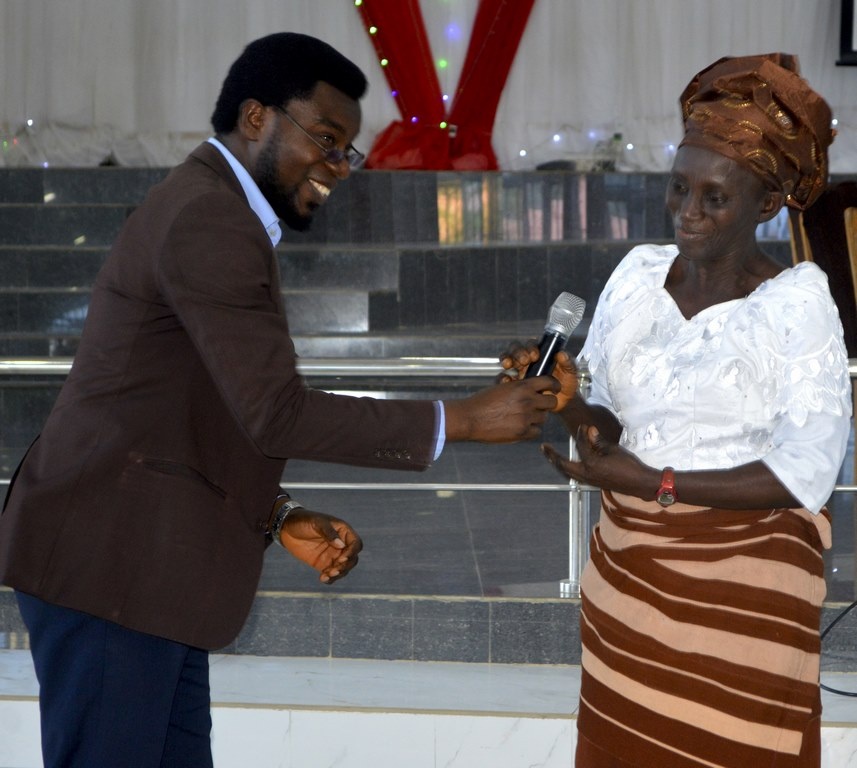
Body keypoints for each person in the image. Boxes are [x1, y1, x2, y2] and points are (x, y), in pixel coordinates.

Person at [0, 32, 561, 768]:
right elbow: (275, 411)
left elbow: (201, 409)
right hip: (113, 566)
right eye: (326, 140)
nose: (339, 167)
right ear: (257, 117)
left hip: (146, 570)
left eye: (347, 151)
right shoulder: (209, 216)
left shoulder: (214, 207)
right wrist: (460, 419)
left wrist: (276, 512)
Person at [502, 53, 852, 767]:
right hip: (628, 592)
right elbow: (609, 427)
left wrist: (655, 484)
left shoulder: (796, 304)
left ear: (765, 205)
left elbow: (807, 472)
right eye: (678, 187)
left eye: (714, 198)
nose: (687, 212)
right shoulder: (636, 276)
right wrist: (569, 403)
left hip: (746, 599)